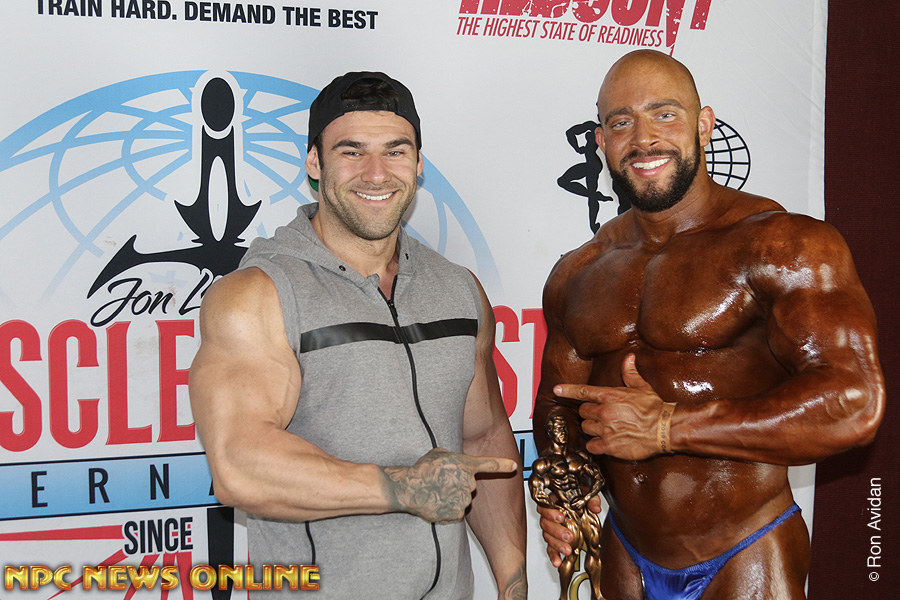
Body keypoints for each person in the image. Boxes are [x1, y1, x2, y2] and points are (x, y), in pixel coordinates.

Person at [533, 50, 884, 600]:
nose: (644, 139)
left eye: (664, 114)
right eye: (621, 122)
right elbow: (559, 404)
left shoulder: (782, 243)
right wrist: (563, 493)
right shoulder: (578, 271)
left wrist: (667, 427)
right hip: (626, 552)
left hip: (745, 550)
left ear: (704, 124)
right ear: (601, 142)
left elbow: (853, 402)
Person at [189, 71, 526, 599]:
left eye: (395, 151)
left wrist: (512, 580)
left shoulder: (458, 290)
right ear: (314, 163)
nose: (376, 173)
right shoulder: (258, 294)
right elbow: (240, 467)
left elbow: (481, 440)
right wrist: (403, 488)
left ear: (418, 163)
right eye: (352, 152)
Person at [529, 414, 603, 599]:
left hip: (583, 507)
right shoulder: (544, 463)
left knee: (596, 548)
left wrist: (586, 498)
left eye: (563, 429)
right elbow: (537, 491)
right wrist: (556, 508)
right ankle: (563, 596)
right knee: (572, 552)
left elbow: (599, 479)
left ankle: (597, 593)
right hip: (566, 510)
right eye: (557, 429)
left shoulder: (578, 456)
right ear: (550, 433)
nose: (562, 433)